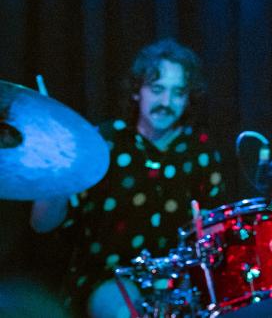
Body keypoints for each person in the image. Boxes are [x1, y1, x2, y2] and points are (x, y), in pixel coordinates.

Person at [30, 38, 226, 318]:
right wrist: (58, 171)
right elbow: (42, 223)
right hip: (110, 278)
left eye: (177, 93)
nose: (166, 103)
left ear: (188, 98)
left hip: (180, 281)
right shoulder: (103, 143)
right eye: (157, 90)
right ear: (137, 92)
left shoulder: (200, 151)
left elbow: (212, 227)